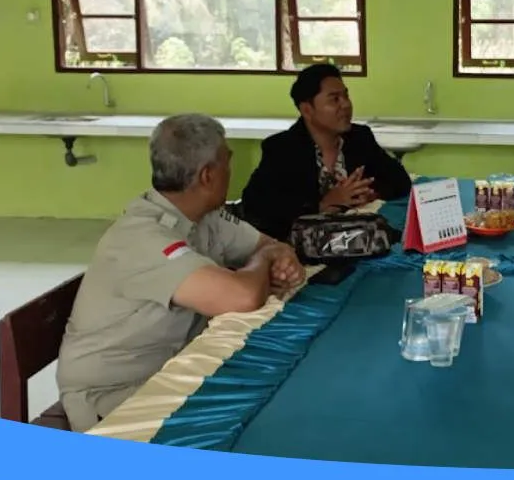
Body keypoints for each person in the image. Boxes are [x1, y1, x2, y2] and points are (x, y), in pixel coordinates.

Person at [56, 114, 306, 433]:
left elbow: (266, 245)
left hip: (175, 373)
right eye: (227, 162)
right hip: (118, 396)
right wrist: (266, 261)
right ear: (207, 176)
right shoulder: (144, 237)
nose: (231, 171)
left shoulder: (203, 216)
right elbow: (242, 297)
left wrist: (279, 254)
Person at [239, 63, 413, 241]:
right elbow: (257, 208)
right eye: (334, 99)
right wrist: (324, 204)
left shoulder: (359, 138)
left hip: (357, 241)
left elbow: (400, 180)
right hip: (304, 250)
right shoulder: (282, 149)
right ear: (307, 110)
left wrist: (370, 192)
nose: (345, 105)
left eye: (346, 96)